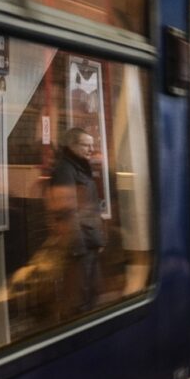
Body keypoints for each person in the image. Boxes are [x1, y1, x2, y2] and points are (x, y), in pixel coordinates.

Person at [49, 127, 106, 316]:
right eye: (86, 145)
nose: (91, 149)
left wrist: (98, 239)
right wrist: (77, 249)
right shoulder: (65, 170)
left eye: (92, 145)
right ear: (72, 145)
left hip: (89, 243)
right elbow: (67, 212)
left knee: (90, 297)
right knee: (79, 302)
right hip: (80, 248)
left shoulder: (80, 167)